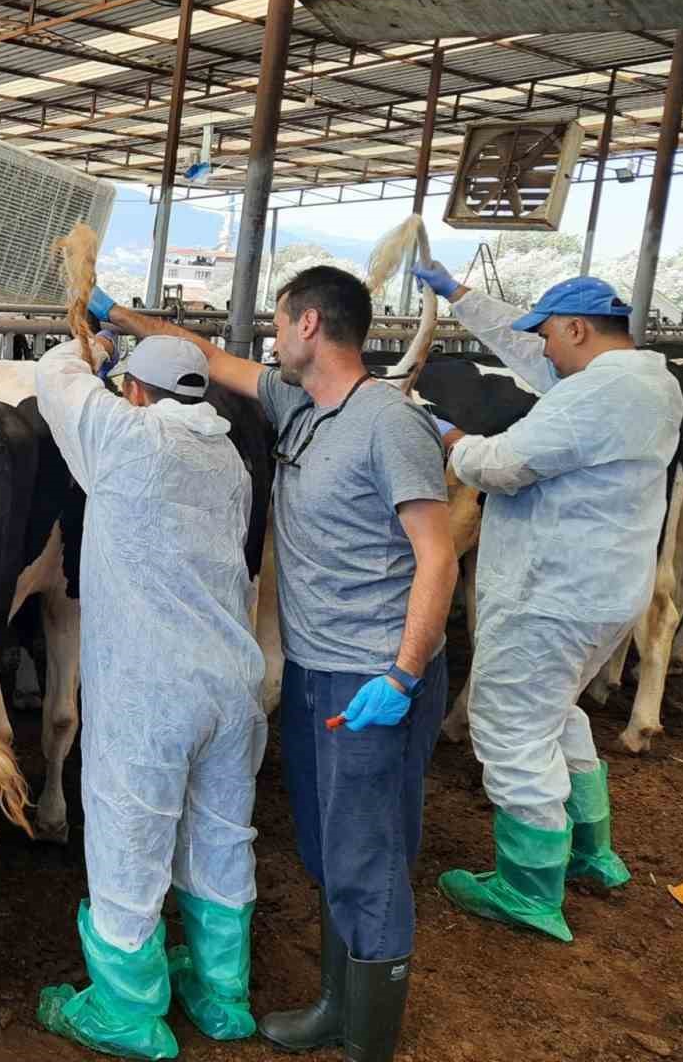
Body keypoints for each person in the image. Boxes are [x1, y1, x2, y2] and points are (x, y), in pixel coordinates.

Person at [89, 266, 458, 1062]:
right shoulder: (303, 408)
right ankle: (335, 1005)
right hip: (315, 667)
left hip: (373, 674)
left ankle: (369, 1041)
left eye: (280, 323)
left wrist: (402, 675)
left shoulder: (388, 422)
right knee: (328, 849)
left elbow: (439, 555)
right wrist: (110, 311)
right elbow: (204, 356)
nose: (272, 338)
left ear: (311, 325)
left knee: (368, 853)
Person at [411, 263, 683, 941]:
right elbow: (531, 352)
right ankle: (592, 851)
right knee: (556, 714)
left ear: (578, 328)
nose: (545, 352)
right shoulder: (648, 380)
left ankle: (528, 888)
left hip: (550, 594)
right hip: (604, 593)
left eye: (551, 338)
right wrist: (455, 293)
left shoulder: (594, 398)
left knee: (508, 729)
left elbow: (501, 465)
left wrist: (448, 436)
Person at [33, 330, 268, 1060]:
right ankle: (222, 995)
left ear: (135, 390)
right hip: (233, 681)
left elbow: (51, 378)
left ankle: (127, 1012)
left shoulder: (122, 436)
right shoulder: (229, 459)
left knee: (128, 836)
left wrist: (88, 348)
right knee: (221, 834)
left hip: (150, 689)